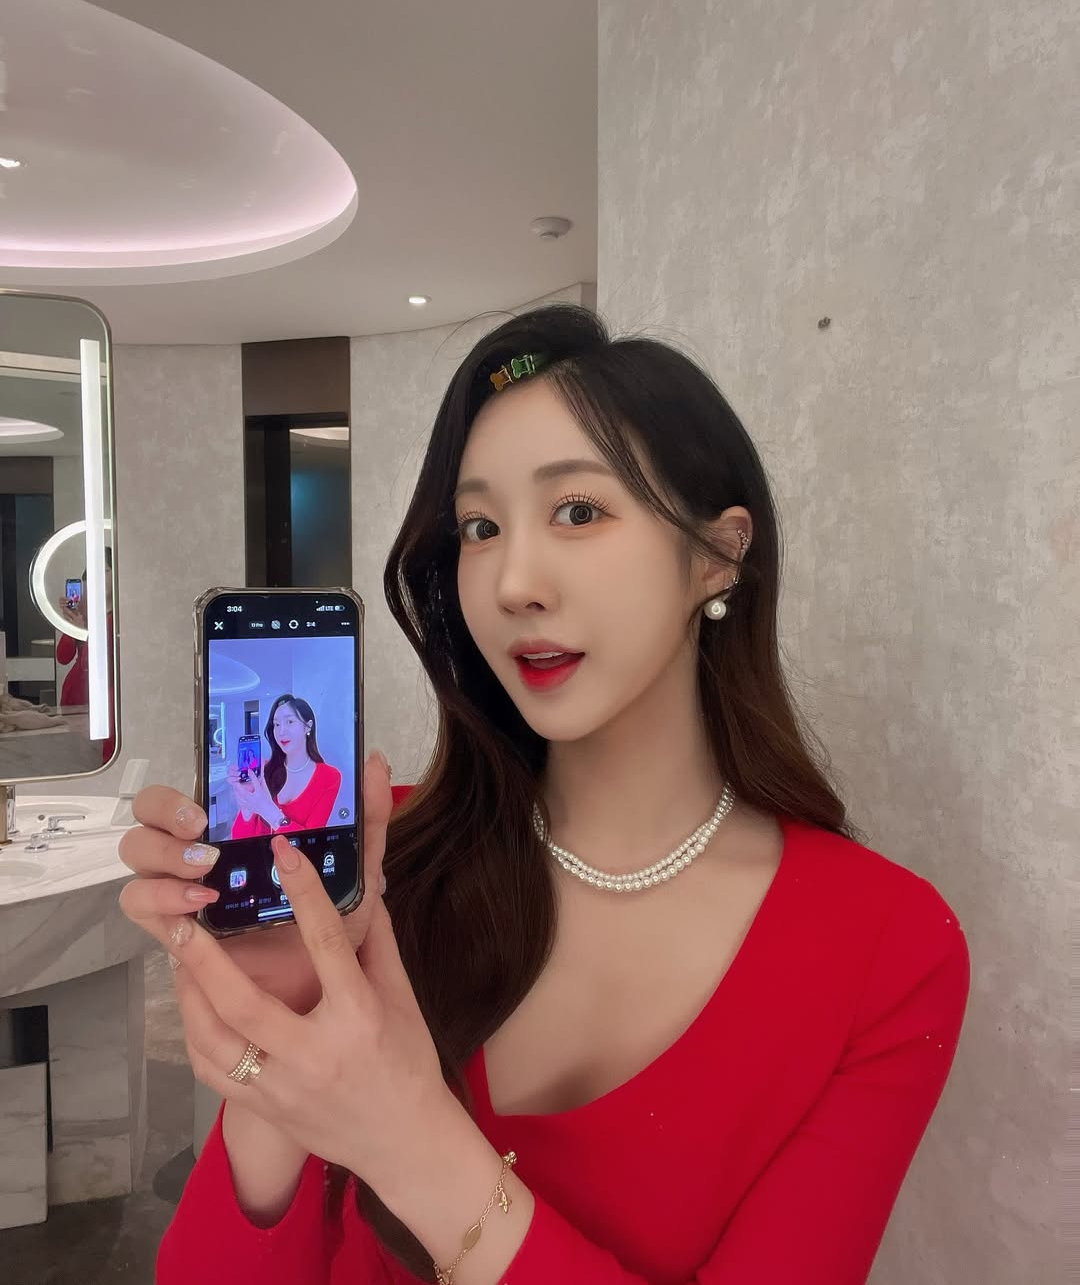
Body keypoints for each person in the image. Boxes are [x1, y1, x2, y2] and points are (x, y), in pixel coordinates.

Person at [118, 305, 969, 1285]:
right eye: (480, 528)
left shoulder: (887, 951)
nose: (512, 584)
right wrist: (282, 1034)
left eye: (577, 510)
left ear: (717, 554)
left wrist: (407, 1137)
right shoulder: (391, 863)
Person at [225, 694, 342, 840]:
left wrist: (266, 809)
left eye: (290, 722)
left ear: (308, 726)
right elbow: (239, 838)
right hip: (257, 854)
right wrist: (247, 803)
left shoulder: (329, 777)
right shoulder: (265, 769)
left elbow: (310, 840)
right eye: (277, 724)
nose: (281, 732)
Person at [56, 549, 116, 763]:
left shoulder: (120, 617)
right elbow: (63, 657)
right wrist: (72, 626)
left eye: (105, 571)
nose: (98, 577)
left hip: (103, 696)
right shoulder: (87, 612)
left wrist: (82, 630)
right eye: (92, 572)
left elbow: (95, 664)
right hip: (76, 693)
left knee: (99, 760)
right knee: (76, 759)